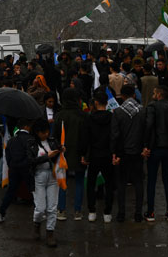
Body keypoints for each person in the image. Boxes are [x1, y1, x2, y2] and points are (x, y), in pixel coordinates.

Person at [143, 85, 168, 222]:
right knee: (167, 179)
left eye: (154, 93)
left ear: (158, 94)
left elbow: (148, 125)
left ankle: (150, 212)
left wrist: (146, 145)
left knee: (151, 180)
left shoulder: (152, 107)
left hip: (155, 147)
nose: (153, 95)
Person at [111, 84, 146, 222]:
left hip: (122, 152)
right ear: (134, 95)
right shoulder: (143, 110)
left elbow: (115, 134)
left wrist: (114, 152)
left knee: (121, 183)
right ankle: (138, 213)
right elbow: (147, 130)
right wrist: (145, 147)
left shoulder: (118, 112)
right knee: (138, 182)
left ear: (122, 96)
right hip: (138, 151)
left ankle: (121, 213)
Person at [53, 88, 87, 221]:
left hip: (63, 153)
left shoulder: (59, 115)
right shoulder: (83, 115)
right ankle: (77, 211)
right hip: (79, 153)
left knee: (62, 181)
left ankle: (61, 210)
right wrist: (85, 154)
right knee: (79, 182)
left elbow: (54, 136)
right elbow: (85, 137)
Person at [83, 89, 115, 223]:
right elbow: (115, 136)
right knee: (109, 184)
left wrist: (84, 155)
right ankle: (107, 212)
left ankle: (92, 211)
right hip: (108, 154)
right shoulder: (112, 117)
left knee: (91, 184)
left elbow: (86, 138)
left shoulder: (89, 118)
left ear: (95, 103)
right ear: (107, 103)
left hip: (94, 155)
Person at [0, 118, 35, 223]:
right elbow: (32, 155)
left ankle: (1, 213)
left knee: (11, 191)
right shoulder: (30, 139)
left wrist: (12, 165)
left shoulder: (12, 140)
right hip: (26, 168)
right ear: (26, 127)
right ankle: (39, 212)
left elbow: (7, 156)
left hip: (14, 168)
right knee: (33, 190)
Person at [29, 118, 61, 248]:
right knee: (40, 208)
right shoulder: (31, 143)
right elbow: (30, 161)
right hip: (38, 176)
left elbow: (58, 157)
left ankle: (50, 233)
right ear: (37, 132)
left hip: (53, 176)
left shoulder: (53, 141)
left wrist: (60, 151)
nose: (46, 134)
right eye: (43, 132)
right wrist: (47, 157)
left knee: (52, 207)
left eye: (47, 131)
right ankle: (37, 224)